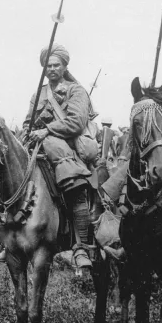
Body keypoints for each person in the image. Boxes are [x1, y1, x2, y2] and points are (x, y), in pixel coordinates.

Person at [22, 43, 97, 269]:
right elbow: (27, 122)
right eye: (48, 65)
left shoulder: (76, 90)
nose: (52, 69)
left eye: (56, 65)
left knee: (74, 182)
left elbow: (76, 122)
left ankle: (81, 246)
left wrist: (46, 130)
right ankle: (12, 242)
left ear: (65, 66)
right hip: (38, 148)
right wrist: (29, 132)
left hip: (68, 147)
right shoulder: (39, 93)